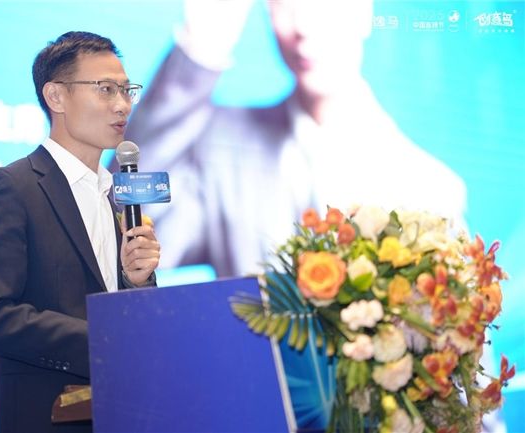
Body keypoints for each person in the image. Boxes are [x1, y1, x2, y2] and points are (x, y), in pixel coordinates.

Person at [125, 0, 467, 278]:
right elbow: (132, 228)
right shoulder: (221, 148)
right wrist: (199, 51)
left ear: (364, 10)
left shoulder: (431, 189)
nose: (302, 26)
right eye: (284, 4)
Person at [0, 31, 160, 433]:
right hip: (44, 417)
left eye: (127, 90)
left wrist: (137, 282)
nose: (122, 105)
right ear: (56, 96)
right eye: (106, 89)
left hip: (121, 414)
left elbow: (120, 313)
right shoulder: (13, 187)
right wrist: (100, 340)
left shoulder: (115, 198)